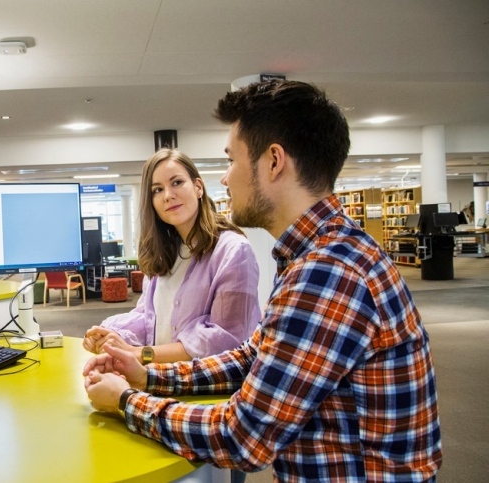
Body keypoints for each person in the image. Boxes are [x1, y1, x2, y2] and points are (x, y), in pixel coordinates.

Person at [83, 80, 442, 482]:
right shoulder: (320, 255)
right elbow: (253, 358)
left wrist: (127, 402)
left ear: (273, 161)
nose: (224, 180)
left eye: (231, 160)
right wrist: (147, 374)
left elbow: (244, 437)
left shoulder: (326, 273)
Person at [83, 148, 261, 364]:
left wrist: (141, 353)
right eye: (157, 190)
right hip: (161, 380)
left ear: (198, 187)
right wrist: (110, 333)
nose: (168, 195)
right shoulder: (163, 254)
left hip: (211, 388)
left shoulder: (233, 251)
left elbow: (226, 339)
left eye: (177, 182)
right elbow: (147, 317)